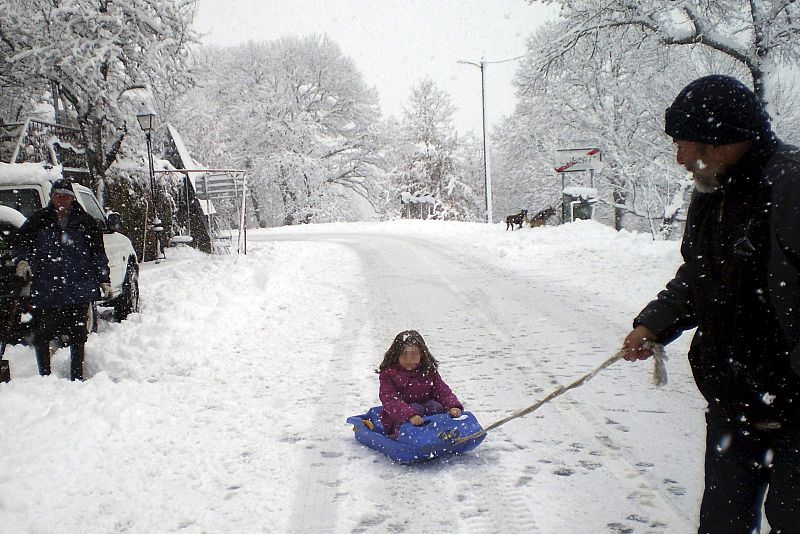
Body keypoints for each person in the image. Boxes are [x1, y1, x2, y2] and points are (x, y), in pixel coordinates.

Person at [622, 75, 800, 533]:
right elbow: (700, 277)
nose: (679, 158)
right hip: (733, 398)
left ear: (720, 142)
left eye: (684, 145)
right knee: (722, 522)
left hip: (795, 402)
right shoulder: (710, 193)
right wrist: (655, 324)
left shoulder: (791, 188)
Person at [13, 179, 111, 381]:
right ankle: (45, 378)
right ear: (51, 197)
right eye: (58, 195)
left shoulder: (86, 222)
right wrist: (22, 261)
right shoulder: (39, 220)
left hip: (78, 289)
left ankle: (77, 376)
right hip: (47, 289)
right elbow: (21, 243)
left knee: (78, 336)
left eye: (66, 196)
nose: (61, 200)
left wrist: (104, 280)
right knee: (42, 335)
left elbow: (98, 254)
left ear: (72, 198)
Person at [377, 330, 463, 438]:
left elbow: (442, 391)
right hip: (397, 417)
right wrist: (410, 415)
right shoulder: (390, 374)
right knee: (416, 408)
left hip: (425, 415)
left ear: (422, 355)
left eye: (413, 356)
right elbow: (390, 400)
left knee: (435, 407)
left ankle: (437, 432)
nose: (409, 360)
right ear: (396, 355)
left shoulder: (427, 371)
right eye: (404, 356)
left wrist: (453, 406)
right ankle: (400, 434)